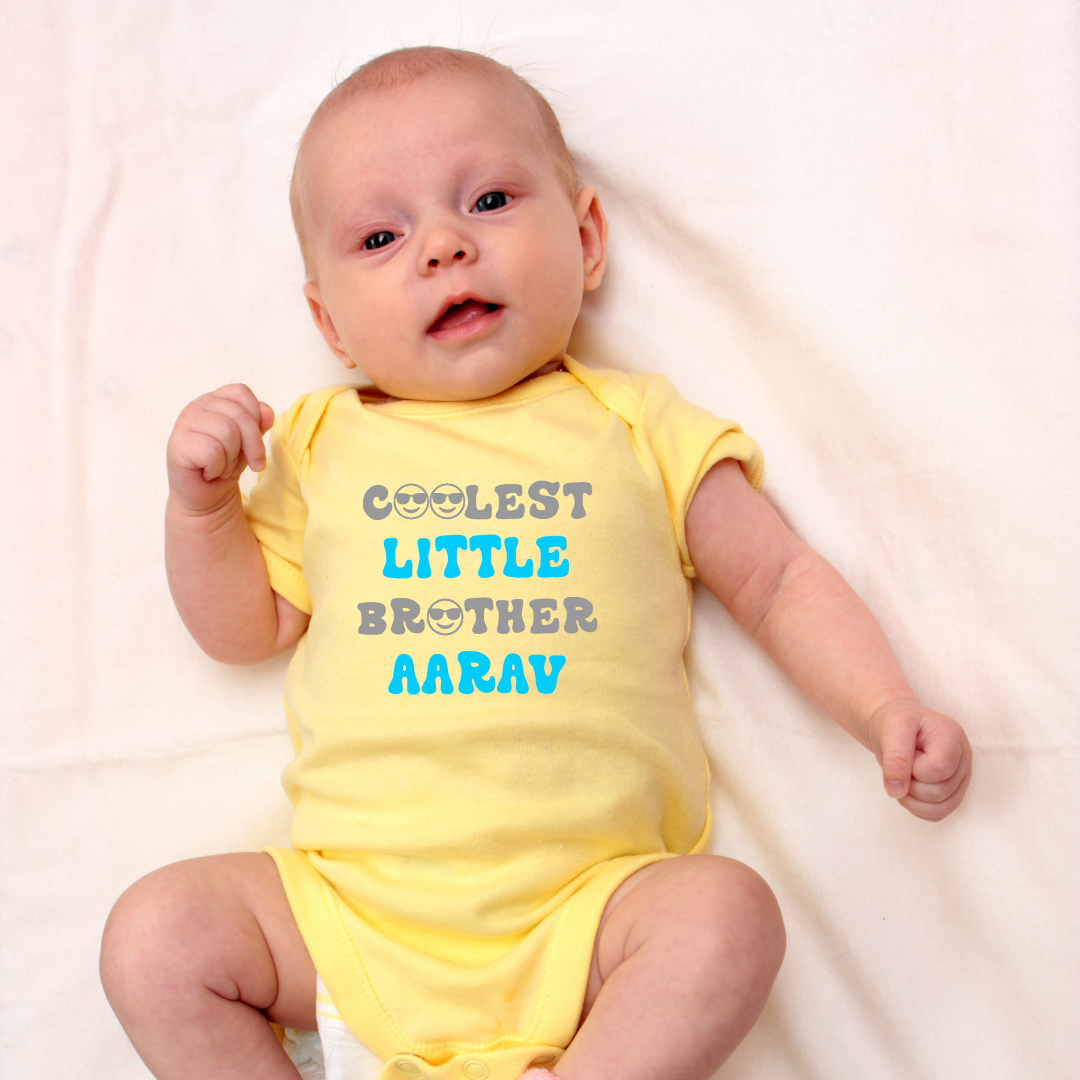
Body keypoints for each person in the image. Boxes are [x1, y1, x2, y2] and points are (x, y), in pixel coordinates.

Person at [100, 46, 972, 1080]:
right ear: (329, 322)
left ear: (587, 238)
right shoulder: (318, 444)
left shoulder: (637, 423)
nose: (445, 247)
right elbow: (243, 627)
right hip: (352, 911)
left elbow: (778, 581)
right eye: (381, 235)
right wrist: (200, 511)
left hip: (589, 910)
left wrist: (883, 709)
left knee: (729, 917)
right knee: (152, 941)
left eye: (491, 198)